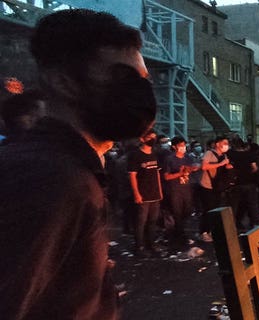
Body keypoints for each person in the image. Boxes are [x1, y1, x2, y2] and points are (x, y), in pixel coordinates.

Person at [0, 9, 156, 319]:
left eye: (143, 80)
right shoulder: (48, 178)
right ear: (63, 82)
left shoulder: (71, 168)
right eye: (123, 77)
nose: (140, 93)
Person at [128, 130, 163, 255]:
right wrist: (136, 193)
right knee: (140, 222)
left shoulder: (154, 154)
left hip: (154, 194)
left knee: (152, 221)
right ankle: (139, 247)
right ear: (142, 139)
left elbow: (157, 173)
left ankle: (151, 244)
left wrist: (160, 191)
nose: (152, 139)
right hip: (143, 194)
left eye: (154, 137)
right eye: (150, 137)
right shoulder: (136, 155)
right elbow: (132, 175)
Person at [163, 136, 199, 249]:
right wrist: (179, 173)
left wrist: (193, 168)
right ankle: (179, 236)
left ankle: (177, 232)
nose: (183, 148)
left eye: (184, 145)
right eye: (180, 146)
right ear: (174, 147)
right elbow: (166, 177)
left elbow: (194, 165)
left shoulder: (187, 157)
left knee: (187, 211)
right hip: (175, 189)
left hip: (186, 188)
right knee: (177, 212)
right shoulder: (170, 159)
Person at [198, 136, 232, 241]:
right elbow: (204, 166)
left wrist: (227, 167)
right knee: (208, 209)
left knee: (215, 209)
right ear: (217, 144)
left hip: (218, 186)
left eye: (227, 143)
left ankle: (212, 231)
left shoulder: (224, 155)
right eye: (224, 143)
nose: (226, 145)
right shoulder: (209, 153)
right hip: (207, 185)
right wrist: (221, 164)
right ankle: (204, 232)